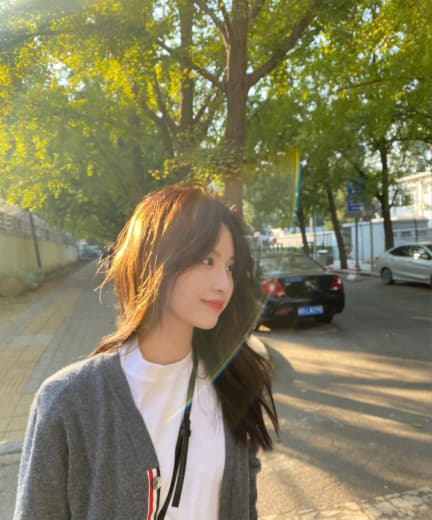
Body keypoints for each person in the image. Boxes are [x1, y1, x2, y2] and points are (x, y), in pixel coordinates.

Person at [14, 183, 279, 520]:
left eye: (229, 266)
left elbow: (245, 505)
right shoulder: (68, 402)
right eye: (207, 260)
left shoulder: (235, 383)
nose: (223, 284)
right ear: (155, 260)